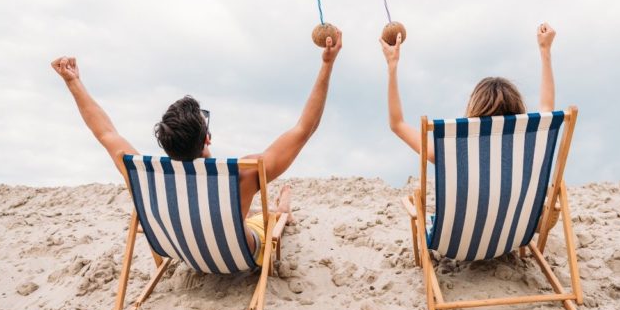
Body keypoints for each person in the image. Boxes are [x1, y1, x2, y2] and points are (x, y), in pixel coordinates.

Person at [51, 31, 342, 266]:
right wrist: (327, 64)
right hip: (237, 256)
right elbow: (304, 129)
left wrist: (73, 81)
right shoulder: (244, 173)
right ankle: (281, 213)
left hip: (183, 253)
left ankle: (275, 212)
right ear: (207, 139)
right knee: (267, 220)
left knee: (239, 212)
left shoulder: (142, 172)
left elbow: (104, 132)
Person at [380, 22, 557, 163]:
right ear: (517, 107)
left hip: (465, 210)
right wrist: (545, 50)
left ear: (474, 107)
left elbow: (397, 124)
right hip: (521, 210)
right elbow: (547, 106)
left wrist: (392, 67)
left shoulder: (454, 151)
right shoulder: (530, 143)